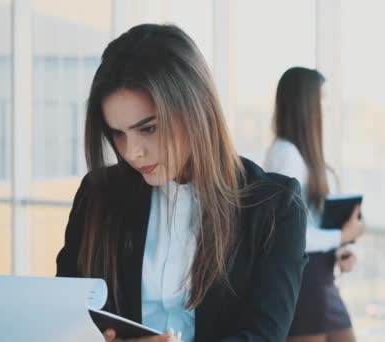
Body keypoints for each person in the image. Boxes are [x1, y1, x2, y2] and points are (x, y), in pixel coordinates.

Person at [56, 24, 307, 342]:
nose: (132, 152)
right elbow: (66, 317)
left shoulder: (275, 207)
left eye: (148, 129)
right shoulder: (98, 195)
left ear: (195, 109)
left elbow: (262, 336)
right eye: (118, 133)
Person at [264, 67, 365, 342]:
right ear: (305, 104)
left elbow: (310, 223)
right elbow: (289, 234)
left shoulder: (303, 154)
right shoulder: (285, 154)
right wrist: (341, 235)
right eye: (322, 99)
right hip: (304, 280)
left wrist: (340, 247)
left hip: (320, 275)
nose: (327, 108)